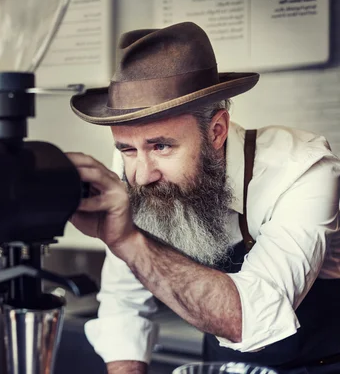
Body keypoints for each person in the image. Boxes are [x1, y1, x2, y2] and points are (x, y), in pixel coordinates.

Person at [66, 22, 340, 374]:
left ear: (216, 131)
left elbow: (253, 320)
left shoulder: (301, 170)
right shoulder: (136, 167)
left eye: (161, 145)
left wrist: (127, 239)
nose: (142, 174)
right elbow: (125, 303)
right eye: (126, 148)